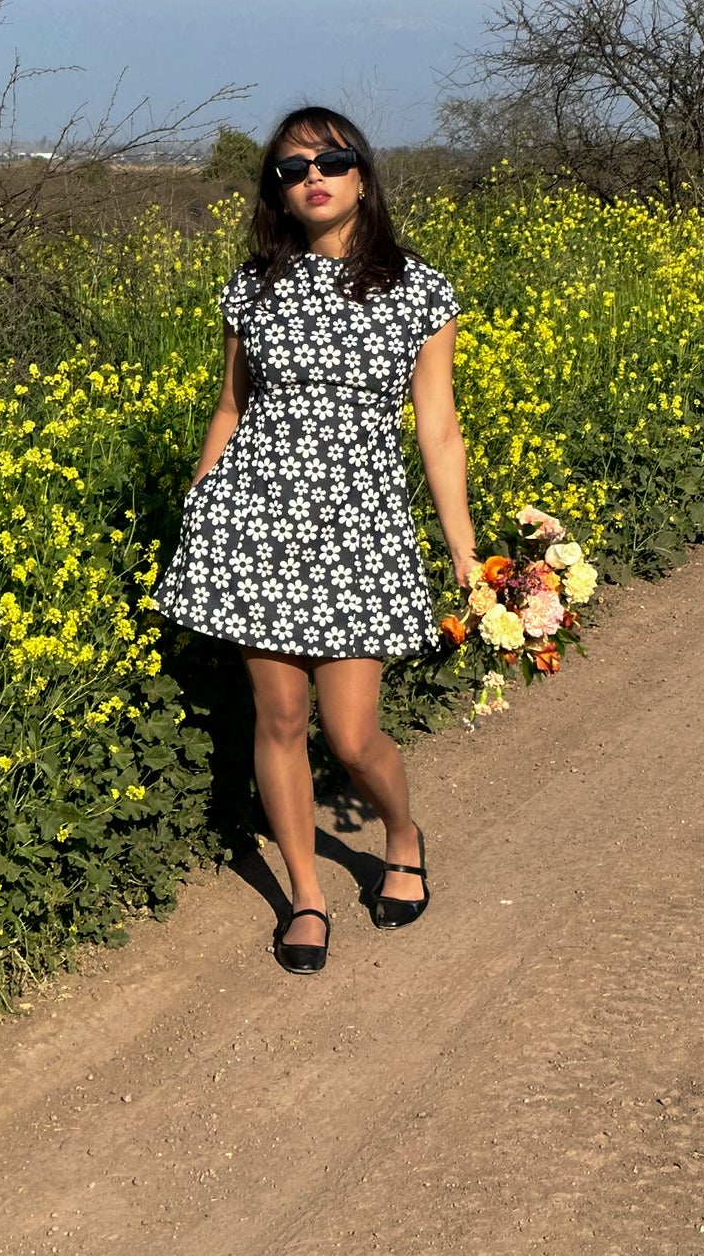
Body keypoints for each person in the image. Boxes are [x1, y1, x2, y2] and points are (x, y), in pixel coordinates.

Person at [156, 106, 476, 974]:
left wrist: (461, 550)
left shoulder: (419, 289)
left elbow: (437, 430)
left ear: (363, 175)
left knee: (350, 733)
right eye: (293, 169)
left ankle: (401, 834)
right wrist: (199, 506)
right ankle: (305, 890)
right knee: (280, 716)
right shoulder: (251, 288)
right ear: (279, 194)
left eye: (331, 159)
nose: (314, 176)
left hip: (359, 532)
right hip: (255, 521)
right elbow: (230, 410)